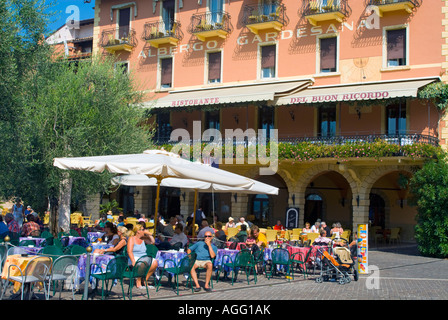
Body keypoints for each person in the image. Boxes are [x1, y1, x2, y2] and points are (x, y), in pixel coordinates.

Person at [127, 224, 158, 289]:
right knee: (143, 262)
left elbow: (152, 242)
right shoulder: (132, 238)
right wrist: (133, 261)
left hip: (144, 257)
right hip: (134, 256)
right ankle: (138, 282)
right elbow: (129, 251)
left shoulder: (143, 239)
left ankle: (145, 280)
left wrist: (149, 234)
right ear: (138, 231)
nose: (144, 231)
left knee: (155, 263)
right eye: (142, 229)